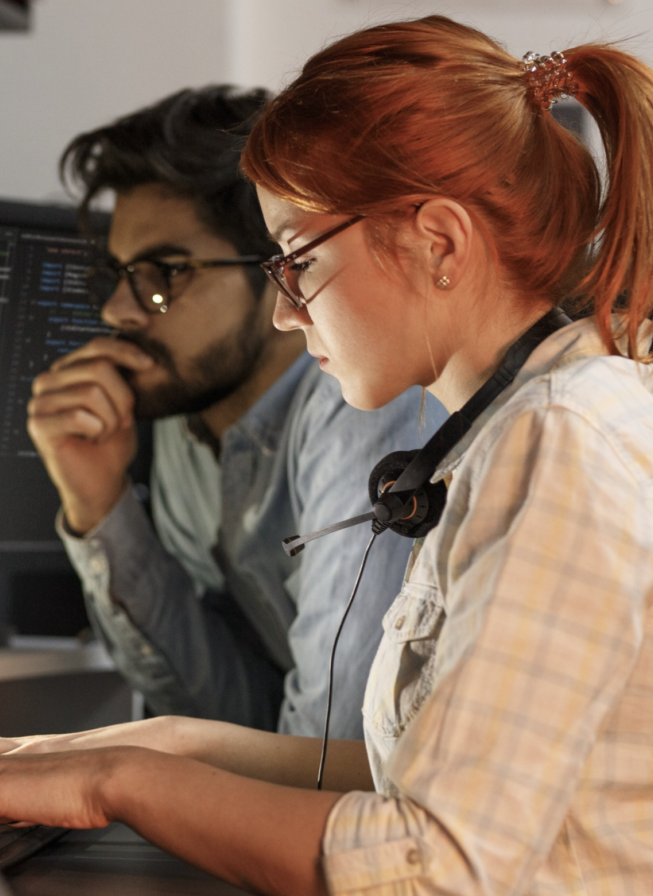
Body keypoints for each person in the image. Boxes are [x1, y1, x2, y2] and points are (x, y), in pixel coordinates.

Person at [0, 16, 653, 896]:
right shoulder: (516, 432)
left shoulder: (561, 441)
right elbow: (419, 779)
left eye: (295, 261)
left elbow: (430, 869)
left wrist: (113, 783)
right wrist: (152, 747)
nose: (283, 311)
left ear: (436, 241)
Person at [28, 87, 438, 737]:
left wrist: (109, 774)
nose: (117, 311)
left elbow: (332, 751)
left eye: (164, 272)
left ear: (279, 270)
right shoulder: (184, 420)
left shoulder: (363, 406)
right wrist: (101, 506)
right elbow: (231, 715)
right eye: (118, 272)